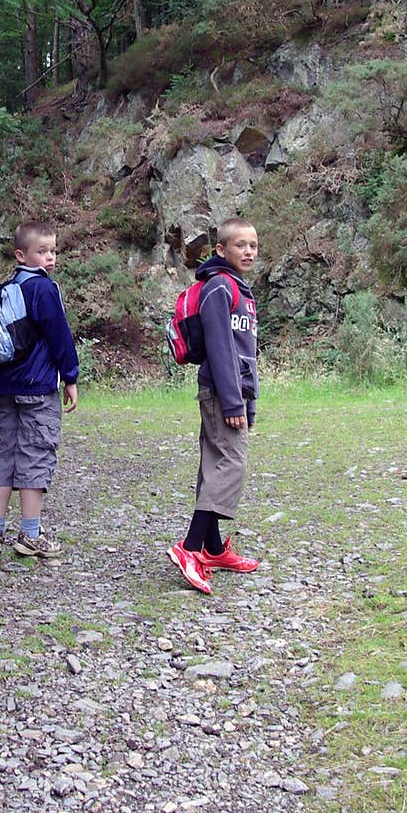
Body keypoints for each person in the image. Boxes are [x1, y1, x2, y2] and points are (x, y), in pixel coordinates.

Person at [167, 217, 261, 594]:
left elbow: (247, 353)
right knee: (230, 463)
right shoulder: (220, 288)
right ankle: (190, 548)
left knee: (214, 462)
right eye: (241, 245)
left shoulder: (240, 289)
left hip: (233, 391)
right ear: (221, 250)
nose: (249, 251)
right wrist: (233, 400)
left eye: (253, 245)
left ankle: (213, 547)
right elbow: (222, 349)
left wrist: (247, 403)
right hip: (223, 392)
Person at [0, 220, 79, 560]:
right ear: (21, 254)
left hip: (5, 386)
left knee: (4, 453)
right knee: (36, 452)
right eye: (42, 251)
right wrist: (71, 376)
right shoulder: (43, 289)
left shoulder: (6, 287)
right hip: (37, 388)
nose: (50, 257)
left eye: (53, 251)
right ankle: (30, 534)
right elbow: (59, 336)